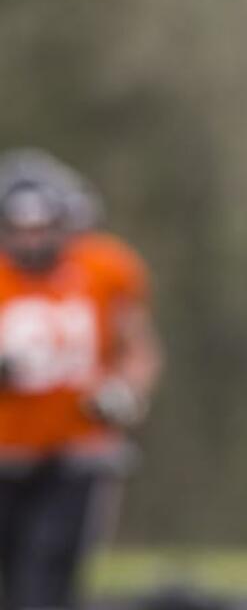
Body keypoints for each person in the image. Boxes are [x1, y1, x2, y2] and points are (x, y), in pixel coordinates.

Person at [0, 149, 162, 610]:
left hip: (77, 455)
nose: (32, 241)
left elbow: (139, 348)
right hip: (5, 453)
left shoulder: (103, 267)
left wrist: (126, 393)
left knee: (49, 579)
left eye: (42, 227)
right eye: (19, 230)